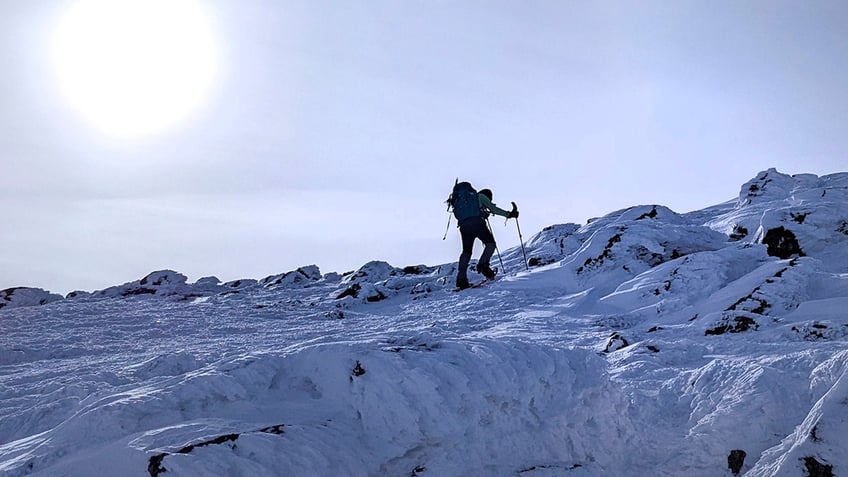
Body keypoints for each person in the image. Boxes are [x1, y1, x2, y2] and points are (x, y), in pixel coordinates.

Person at [453, 185, 518, 289]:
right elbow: (493, 209)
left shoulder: (469, 201)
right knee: (490, 244)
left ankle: (461, 280)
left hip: (464, 226)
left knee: (466, 252)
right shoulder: (481, 197)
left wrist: (483, 213)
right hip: (477, 224)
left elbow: (479, 211)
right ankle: (483, 265)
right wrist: (509, 214)